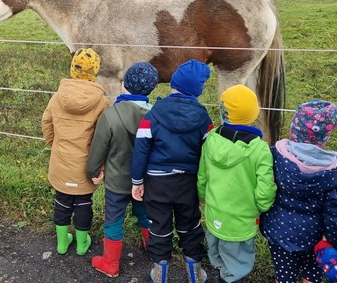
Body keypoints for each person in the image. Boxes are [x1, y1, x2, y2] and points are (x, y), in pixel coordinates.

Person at [131, 59, 213, 283]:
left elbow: (141, 148)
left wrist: (137, 181)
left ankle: (160, 272)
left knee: (159, 224)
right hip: (188, 181)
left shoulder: (154, 113)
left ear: (173, 84)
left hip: (157, 182)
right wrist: (205, 187)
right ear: (198, 90)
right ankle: (194, 273)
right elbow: (208, 153)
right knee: (190, 224)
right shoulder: (203, 118)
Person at [199, 84, 277, 283]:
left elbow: (202, 176)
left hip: (214, 212)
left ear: (223, 113)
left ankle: (219, 270)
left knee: (217, 249)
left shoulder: (211, 140)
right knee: (237, 261)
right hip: (241, 219)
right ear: (253, 114)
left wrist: (202, 195)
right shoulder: (260, 149)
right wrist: (262, 206)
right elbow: (265, 187)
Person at [87, 62, 159, 277]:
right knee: (146, 214)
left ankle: (110, 263)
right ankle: (153, 248)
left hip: (117, 182)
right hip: (145, 181)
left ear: (124, 85)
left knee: (114, 219)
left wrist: (93, 170)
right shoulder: (156, 115)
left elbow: (98, 149)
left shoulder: (110, 115)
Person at [42, 48, 110, 256]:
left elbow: (47, 123)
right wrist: (101, 164)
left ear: (73, 69)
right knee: (83, 204)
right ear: (95, 72)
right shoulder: (102, 102)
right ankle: (82, 244)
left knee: (62, 202)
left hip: (61, 161)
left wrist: (56, 145)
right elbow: (104, 136)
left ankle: (62, 243)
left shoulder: (57, 97)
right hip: (86, 164)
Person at [260, 100, 337, 283]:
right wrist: (332, 240)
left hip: (280, 233)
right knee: (312, 276)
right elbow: (334, 213)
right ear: (326, 135)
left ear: (294, 129)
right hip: (315, 238)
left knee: (283, 276)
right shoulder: (332, 172)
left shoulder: (275, 156)